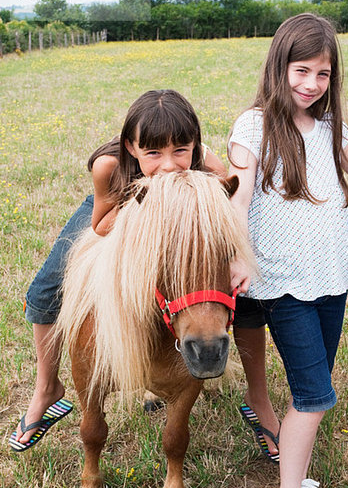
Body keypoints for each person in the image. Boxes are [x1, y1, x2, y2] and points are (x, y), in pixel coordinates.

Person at [228, 13, 348, 488]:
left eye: (323, 74)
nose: (311, 84)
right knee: (314, 395)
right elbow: (238, 197)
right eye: (301, 71)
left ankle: (297, 482)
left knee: (313, 390)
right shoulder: (252, 127)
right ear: (279, 67)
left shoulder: (331, 130)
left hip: (332, 279)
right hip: (280, 284)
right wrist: (238, 255)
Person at [11, 89, 227, 451]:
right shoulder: (108, 166)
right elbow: (99, 224)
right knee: (44, 293)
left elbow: (226, 206)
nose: (169, 165)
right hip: (118, 208)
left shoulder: (206, 163)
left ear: (195, 144)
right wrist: (144, 217)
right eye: (154, 153)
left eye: (180, 150)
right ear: (131, 147)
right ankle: (47, 387)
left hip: (179, 215)